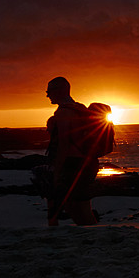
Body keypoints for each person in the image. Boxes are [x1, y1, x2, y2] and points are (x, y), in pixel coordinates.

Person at [45, 76, 98, 226]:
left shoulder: (63, 113)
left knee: (73, 205)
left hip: (73, 164)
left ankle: (91, 239)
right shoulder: (80, 108)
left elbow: (63, 145)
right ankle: (93, 237)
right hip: (89, 162)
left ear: (60, 90)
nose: (47, 95)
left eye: (49, 90)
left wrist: (56, 171)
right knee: (82, 206)